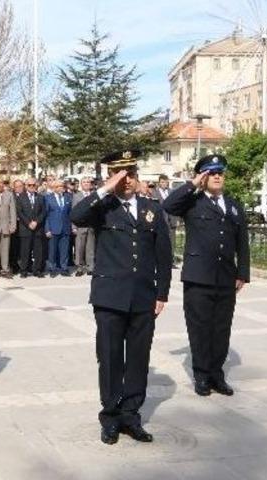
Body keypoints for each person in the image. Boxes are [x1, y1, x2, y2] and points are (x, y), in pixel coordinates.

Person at [71, 150, 172, 445]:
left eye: (130, 173)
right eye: (120, 174)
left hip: (143, 296)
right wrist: (104, 188)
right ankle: (111, 417)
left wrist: (162, 292)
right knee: (111, 357)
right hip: (109, 297)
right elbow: (77, 216)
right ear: (111, 176)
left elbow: (163, 255)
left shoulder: (152, 208)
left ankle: (131, 416)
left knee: (139, 358)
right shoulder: (102, 207)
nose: (126, 180)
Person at [162, 154, 249, 397]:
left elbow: (242, 241)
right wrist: (191, 184)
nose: (218, 176)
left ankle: (216, 374)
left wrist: (242, 272)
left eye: (220, 172)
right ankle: (201, 375)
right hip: (198, 277)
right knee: (199, 327)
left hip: (225, 277)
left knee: (222, 328)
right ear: (203, 176)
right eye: (211, 173)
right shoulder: (193, 202)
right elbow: (167, 206)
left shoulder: (233, 204)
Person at [16, 177, 46, 278]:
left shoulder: (40, 197)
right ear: (26, 186)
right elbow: (20, 212)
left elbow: (43, 212)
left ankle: (37, 270)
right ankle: (24, 270)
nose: (32, 187)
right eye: (29, 185)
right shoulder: (20, 197)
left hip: (37, 229)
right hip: (25, 228)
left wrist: (36, 222)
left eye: (34, 185)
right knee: (25, 251)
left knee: (38, 251)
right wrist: (29, 223)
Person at [44, 180, 72, 277]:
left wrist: (71, 227)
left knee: (64, 250)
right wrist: (47, 229)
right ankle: (52, 268)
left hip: (65, 228)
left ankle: (63, 268)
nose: (61, 188)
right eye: (59, 186)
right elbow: (46, 215)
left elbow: (70, 214)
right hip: (53, 228)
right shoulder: (48, 198)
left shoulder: (68, 197)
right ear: (54, 188)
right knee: (52, 250)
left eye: (62, 186)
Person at [152, 174, 179, 267]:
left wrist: (176, 219)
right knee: (160, 242)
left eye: (166, 182)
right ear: (159, 183)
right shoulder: (154, 193)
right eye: (162, 182)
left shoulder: (172, 192)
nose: (164, 184)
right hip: (160, 221)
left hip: (171, 221)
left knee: (172, 242)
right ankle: (159, 261)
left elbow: (176, 205)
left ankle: (171, 261)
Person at [72, 176, 96, 276]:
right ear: (81, 185)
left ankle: (90, 267)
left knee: (90, 247)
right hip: (80, 225)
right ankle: (80, 268)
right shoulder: (77, 196)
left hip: (91, 225)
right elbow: (73, 211)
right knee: (79, 247)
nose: (86, 184)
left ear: (90, 184)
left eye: (88, 182)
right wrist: (73, 226)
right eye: (84, 182)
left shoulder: (94, 195)